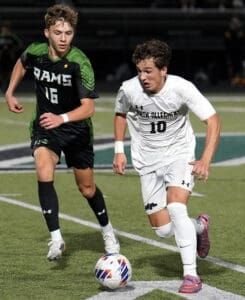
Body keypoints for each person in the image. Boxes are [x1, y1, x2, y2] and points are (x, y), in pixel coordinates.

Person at [5, 4, 119, 261]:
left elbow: (88, 108)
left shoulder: (79, 62)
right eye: (58, 32)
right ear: (47, 33)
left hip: (76, 129)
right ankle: (56, 239)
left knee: (87, 188)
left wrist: (62, 118)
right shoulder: (36, 52)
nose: (64, 38)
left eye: (68, 32)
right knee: (44, 168)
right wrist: (10, 92)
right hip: (46, 125)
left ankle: (108, 231)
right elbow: (22, 63)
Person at [113, 39, 220, 293]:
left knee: (175, 206)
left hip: (178, 155)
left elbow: (213, 120)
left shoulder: (182, 88)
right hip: (146, 161)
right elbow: (120, 114)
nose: (143, 77)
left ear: (164, 70)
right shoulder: (128, 89)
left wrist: (205, 158)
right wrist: (119, 150)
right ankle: (199, 227)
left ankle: (191, 275)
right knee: (162, 230)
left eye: (148, 71)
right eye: (139, 71)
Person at [0, 21, 23, 92]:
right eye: (4, 29)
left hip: (9, 59)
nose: (5, 30)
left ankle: (8, 90)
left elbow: (20, 45)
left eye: (6, 29)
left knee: (10, 75)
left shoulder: (12, 37)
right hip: (1, 59)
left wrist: (13, 51)